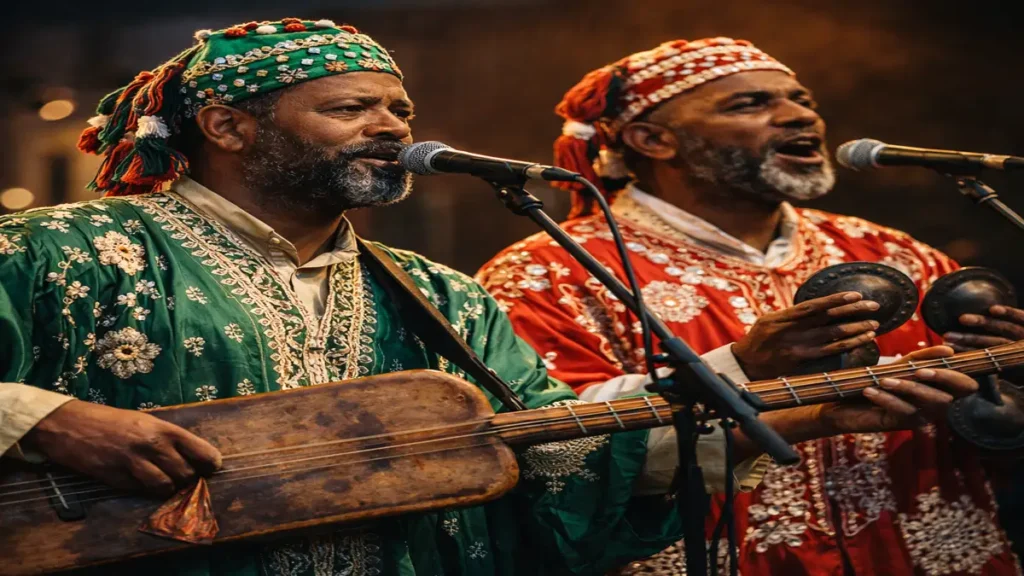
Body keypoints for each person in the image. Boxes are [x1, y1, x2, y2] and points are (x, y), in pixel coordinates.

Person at [476, 37, 1024, 575]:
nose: (797, 117)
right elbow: (558, 458)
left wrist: (1007, 385)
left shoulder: (895, 255)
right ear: (652, 138)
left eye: (801, 101)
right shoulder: (548, 273)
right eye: (751, 103)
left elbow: (991, 438)